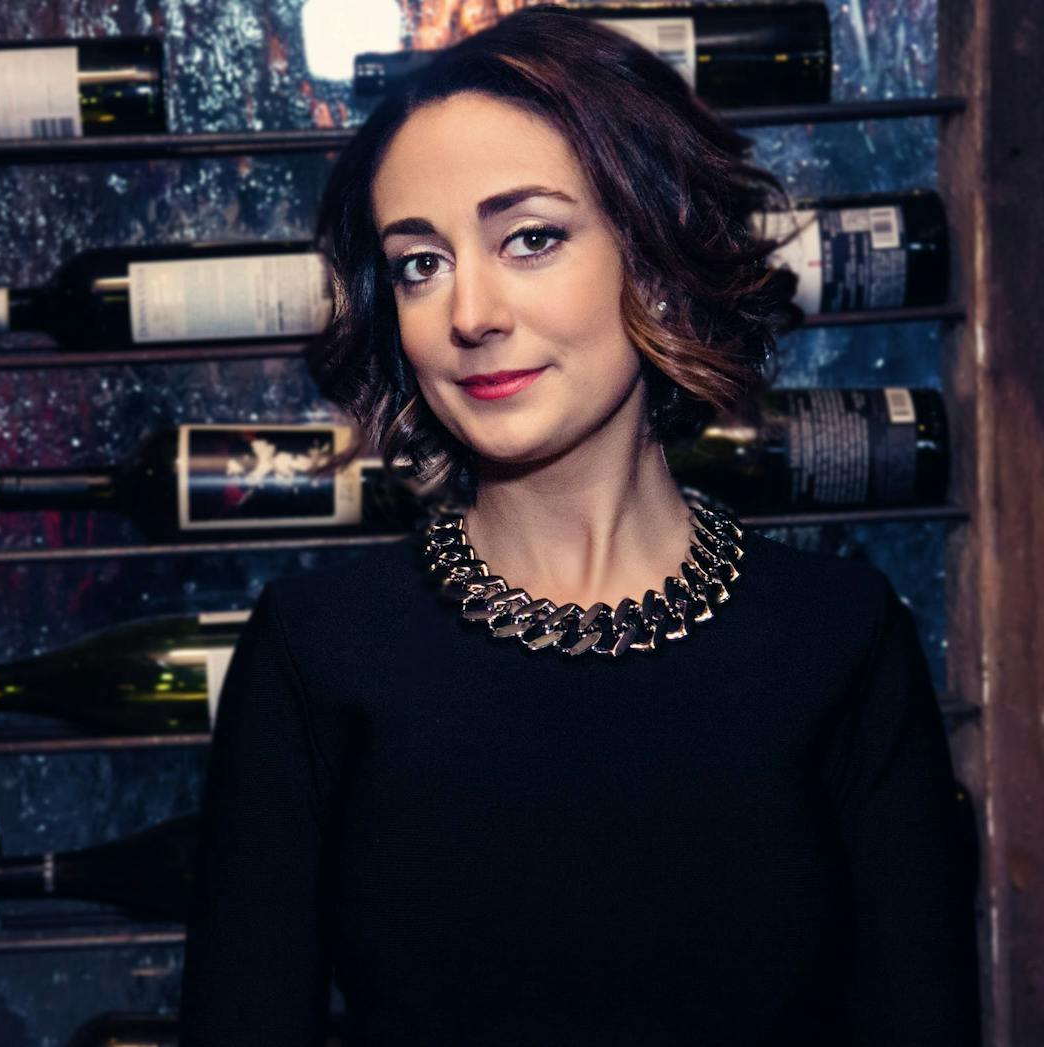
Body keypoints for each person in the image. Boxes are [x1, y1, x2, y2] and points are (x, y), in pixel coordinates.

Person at [179, 7, 981, 1045]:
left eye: (530, 238)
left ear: (651, 255)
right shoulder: (318, 653)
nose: (469, 312)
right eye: (420, 263)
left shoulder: (840, 640)